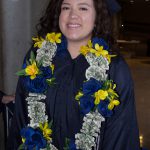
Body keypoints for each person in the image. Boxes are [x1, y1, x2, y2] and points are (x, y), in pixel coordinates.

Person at [7, 0, 140, 149]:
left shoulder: (114, 68)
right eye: (66, 7)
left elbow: (121, 134)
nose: (72, 15)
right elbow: (21, 120)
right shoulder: (38, 58)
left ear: (97, 17)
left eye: (83, 8)